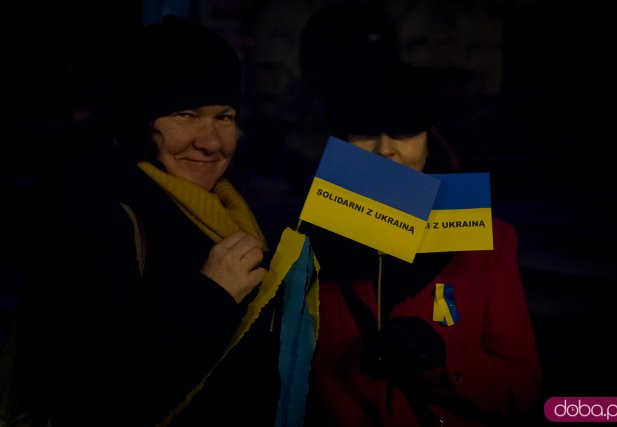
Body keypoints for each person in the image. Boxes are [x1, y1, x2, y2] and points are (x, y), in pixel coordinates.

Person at [12, 15, 280, 427]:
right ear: (138, 118)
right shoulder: (91, 212)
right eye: (186, 115)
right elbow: (94, 389)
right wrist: (212, 295)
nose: (210, 142)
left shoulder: (226, 206)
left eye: (224, 117)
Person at [302, 62, 543, 427]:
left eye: (403, 132)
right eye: (365, 132)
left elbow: (524, 389)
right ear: (341, 143)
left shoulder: (487, 241)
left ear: (430, 141)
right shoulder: (304, 239)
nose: (384, 150)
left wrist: (445, 359)